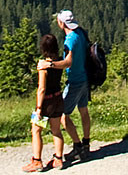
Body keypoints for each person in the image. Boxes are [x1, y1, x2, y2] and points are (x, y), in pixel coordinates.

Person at [37, 10, 94, 161]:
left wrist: (49, 64)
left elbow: (67, 62)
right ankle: (86, 143)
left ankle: (77, 146)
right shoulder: (80, 33)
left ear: (61, 23)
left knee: (62, 116)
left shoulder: (70, 40)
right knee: (83, 111)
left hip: (75, 81)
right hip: (85, 79)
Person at [24, 34, 69, 172]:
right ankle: (58, 159)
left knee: (36, 130)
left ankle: (37, 161)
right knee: (56, 130)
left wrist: (38, 108)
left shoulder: (43, 66)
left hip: (47, 102)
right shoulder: (58, 62)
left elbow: (41, 88)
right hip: (58, 98)